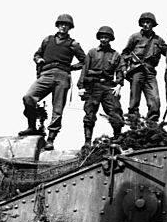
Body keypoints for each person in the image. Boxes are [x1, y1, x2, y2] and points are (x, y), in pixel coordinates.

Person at [20, 13, 85, 150]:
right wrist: (39, 60)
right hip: (46, 73)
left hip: (62, 76)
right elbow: (37, 54)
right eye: (61, 24)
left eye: (66, 25)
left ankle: (51, 139)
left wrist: (71, 68)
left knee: (58, 109)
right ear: (57, 25)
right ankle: (32, 126)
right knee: (28, 97)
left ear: (70, 27)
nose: (63, 26)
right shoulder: (47, 40)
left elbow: (84, 61)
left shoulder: (73, 44)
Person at [78, 26, 125, 146]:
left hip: (108, 86)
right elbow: (85, 69)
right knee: (90, 113)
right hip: (93, 86)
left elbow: (120, 70)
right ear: (99, 38)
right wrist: (81, 87)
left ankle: (117, 137)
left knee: (115, 111)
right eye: (102, 37)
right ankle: (87, 141)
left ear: (110, 39)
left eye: (106, 37)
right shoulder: (92, 53)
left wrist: (119, 84)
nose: (104, 39)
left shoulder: (115, 55)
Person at [121, 12, 167, 127]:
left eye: (148, 22)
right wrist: (126, 67)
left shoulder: (159, 40)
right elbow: (124, 54)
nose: (146, 25)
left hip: (150, 72)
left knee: (155, 100)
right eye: (144, 22)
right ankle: (134, 127)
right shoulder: (135, 37)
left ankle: (152, 126)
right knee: (134, 101)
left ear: (153, 24)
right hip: (137, 71)